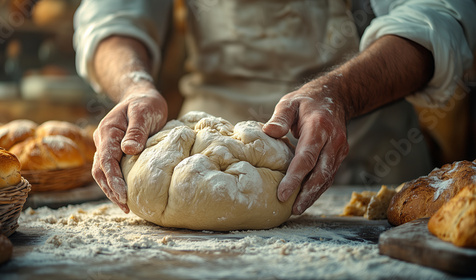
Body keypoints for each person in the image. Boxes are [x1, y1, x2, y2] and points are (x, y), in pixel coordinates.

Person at [73, 0, 476, 215]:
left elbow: (439, 16)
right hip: (194, 158)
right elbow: (111, 15)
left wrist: (340, 94)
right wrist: (134, 87)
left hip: (368, 154)